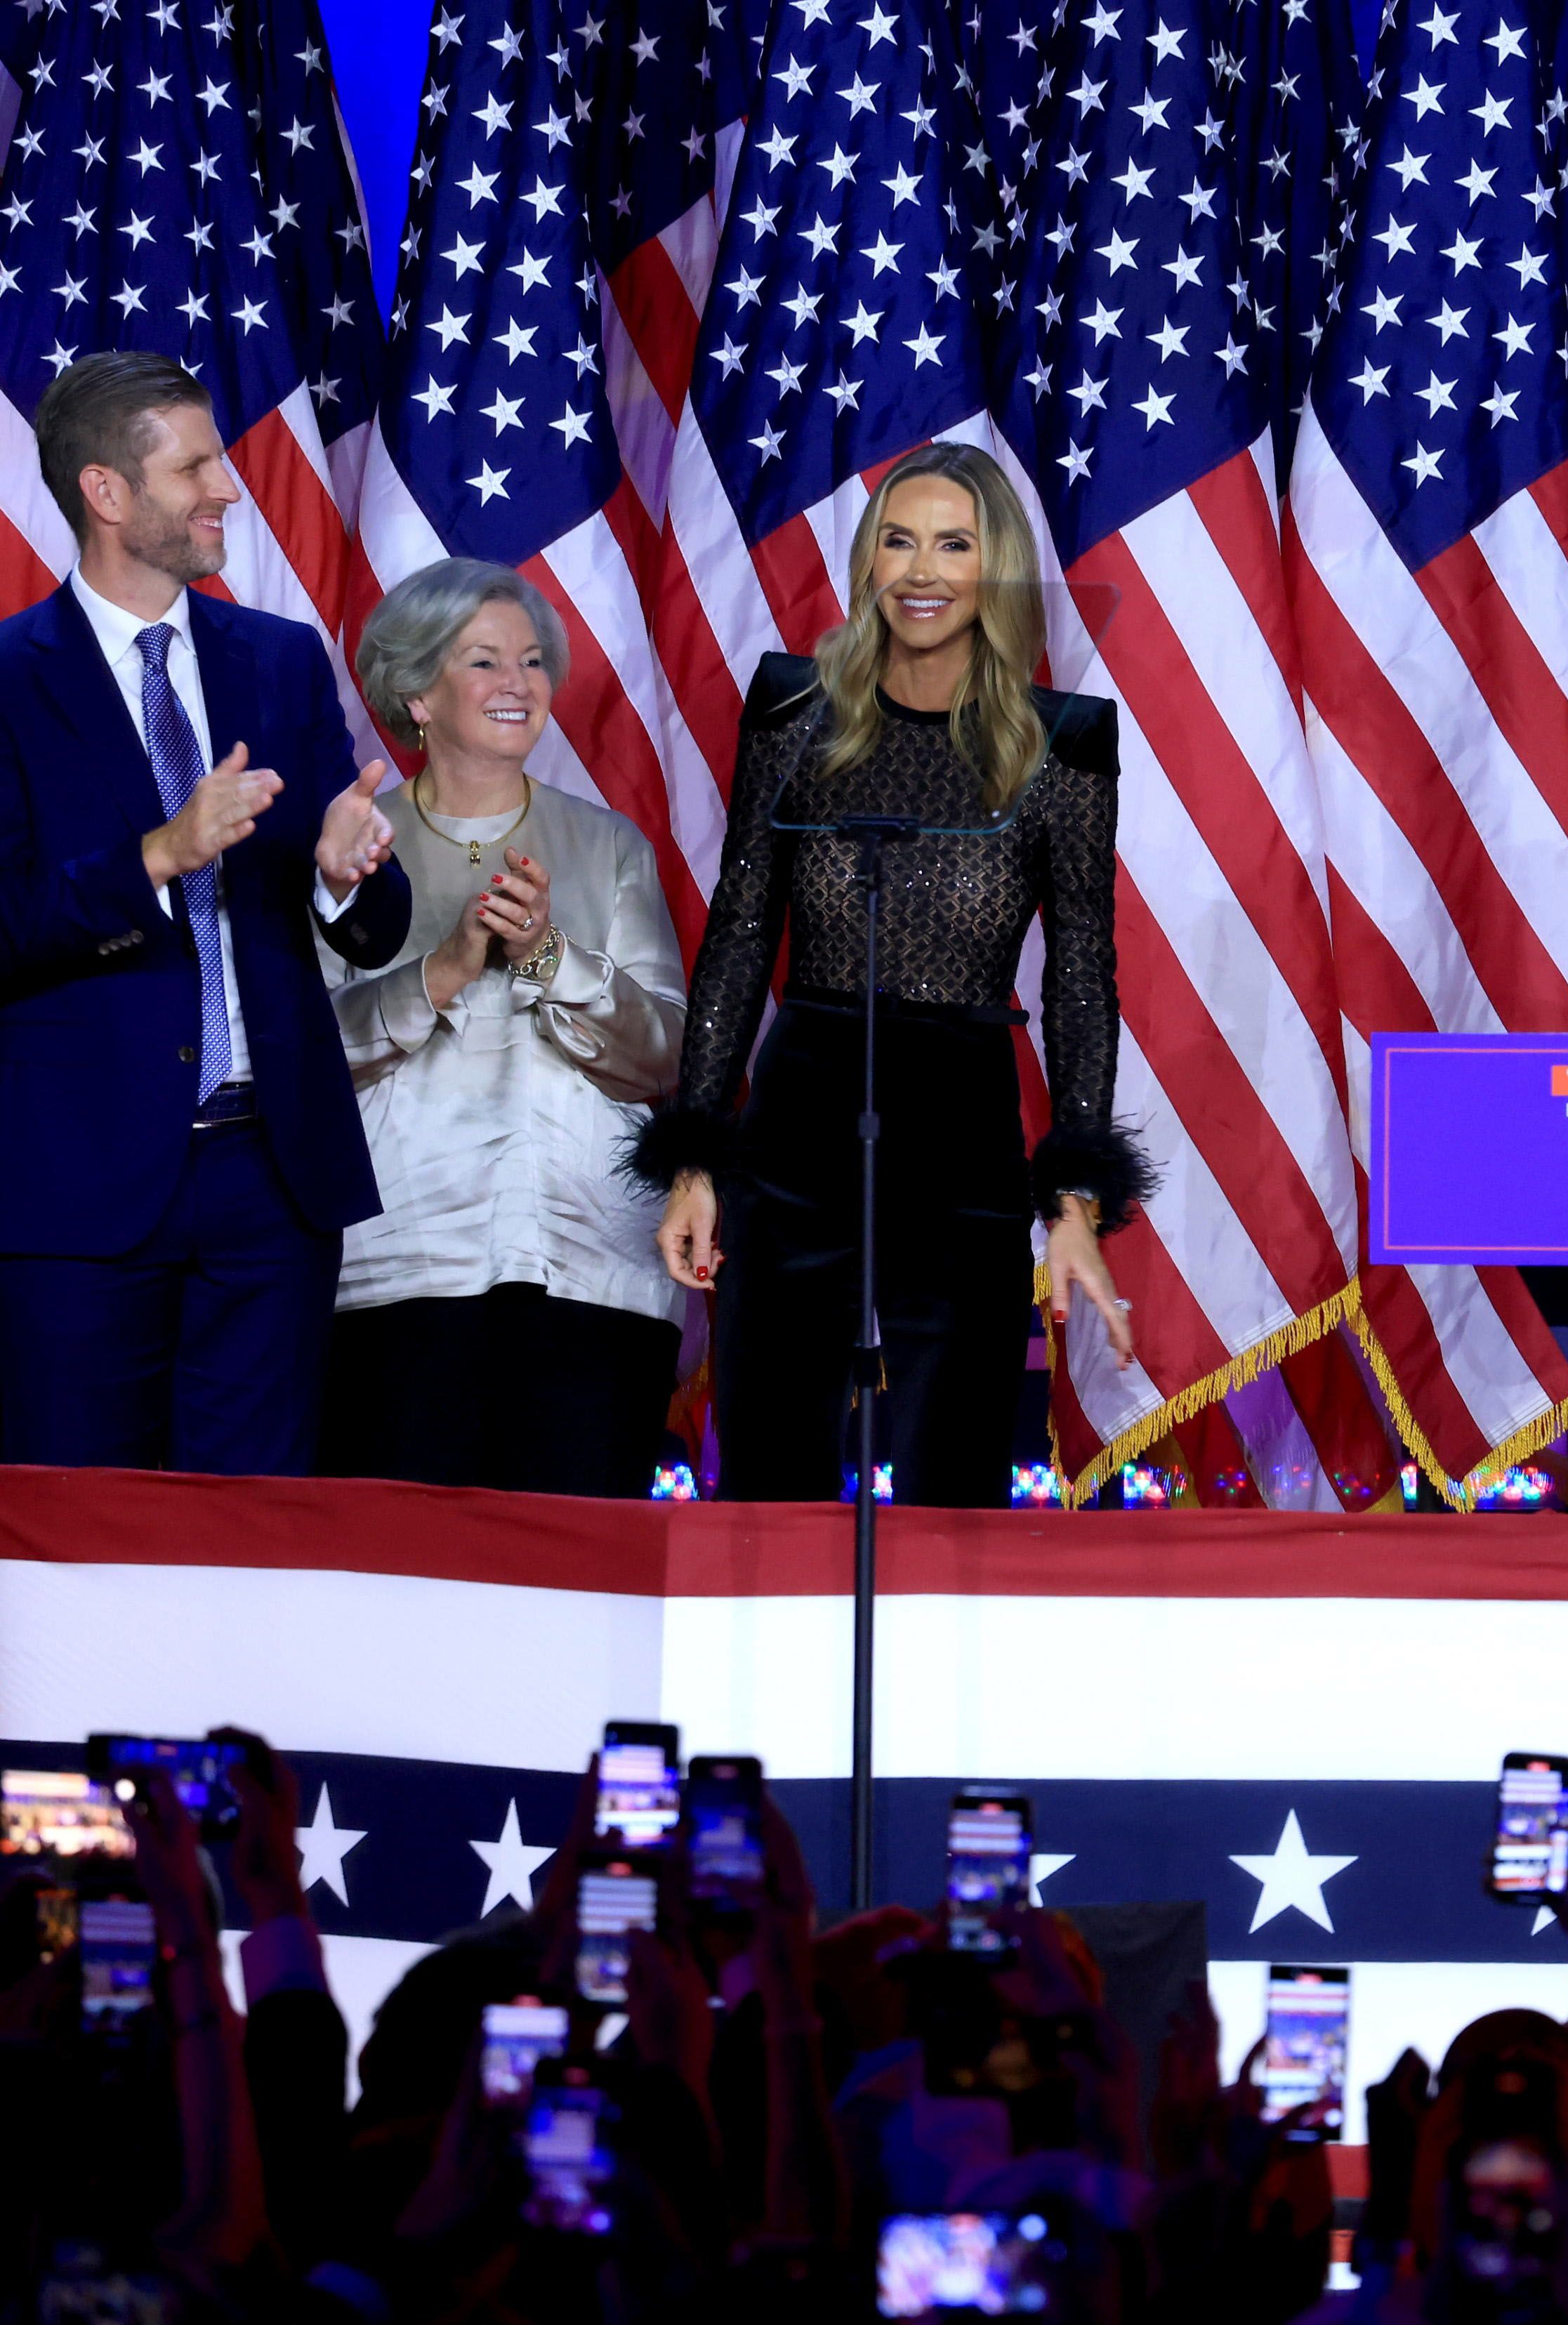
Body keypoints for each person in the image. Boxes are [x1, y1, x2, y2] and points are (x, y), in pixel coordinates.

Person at [631, 444, 1143, 1507]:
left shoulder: (1065, 744)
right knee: (769, 1462)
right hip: (803, 1104)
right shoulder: (791, 709)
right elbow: (737, 934)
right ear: (868, 562)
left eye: (954, 544)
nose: (922, 569)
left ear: (993, 569)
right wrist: (694, 1160)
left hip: (962, 1118)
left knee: (956, 1467)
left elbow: (1083, 978)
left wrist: (1078, 1198)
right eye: (899, 540)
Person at [0, 352, 407, 1476]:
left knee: (253, 1541)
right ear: (108, 493)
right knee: (76, 1542)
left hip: (271, 1185)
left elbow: (372, 921)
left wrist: (346, 871)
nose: (229, 486)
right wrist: (160, 856)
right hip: (74, 1193)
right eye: (198, 466)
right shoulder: (8, 678)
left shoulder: (278, 662)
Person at [315, 560, 690, 1497]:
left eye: (531, 661)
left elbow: (664, 1057)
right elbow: (307, 1055)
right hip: (400, 1272)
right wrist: (441, 970)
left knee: (582, 1588)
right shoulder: (353, 848)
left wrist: (547, 954)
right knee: (406, 1592)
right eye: (484, 661)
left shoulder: (609, 846)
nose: (518, 685)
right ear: (417, 692)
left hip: (593, 1276)